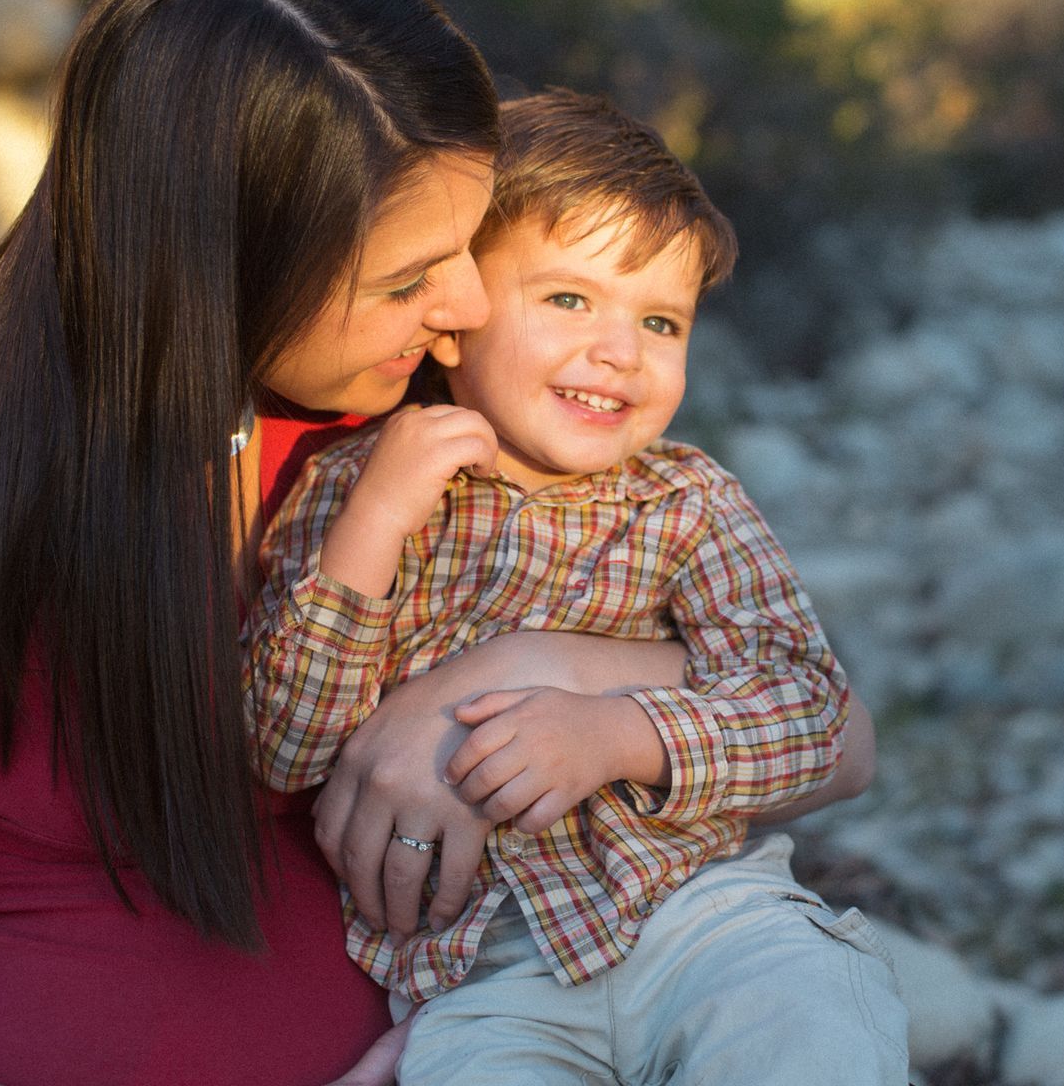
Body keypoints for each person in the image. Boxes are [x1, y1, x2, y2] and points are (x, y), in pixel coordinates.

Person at [0, 0, 813, 1086]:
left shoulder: (404, 416)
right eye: (407, 278)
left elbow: (826, 721)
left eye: (468, 246)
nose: (463, 308)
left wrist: (463, 692)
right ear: (223, 274)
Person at [248, 89, 908, 1084]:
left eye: (660, 319)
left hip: (700, 913)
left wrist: (619, 731)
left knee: (809, 1021)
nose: (620, 349)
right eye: (568, 298)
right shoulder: (359, 487)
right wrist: (373, 526)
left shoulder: (685, 501)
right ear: (457, 318)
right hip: (479, 976)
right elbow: (285, 743)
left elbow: (811, 708)